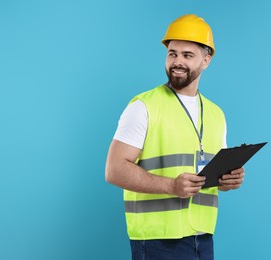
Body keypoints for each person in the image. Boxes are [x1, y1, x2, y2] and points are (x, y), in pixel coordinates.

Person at [105, 14, 245, 260]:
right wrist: (171, 186)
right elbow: (114, 170)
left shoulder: (216, 114)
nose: (177, 61)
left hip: (202, 237)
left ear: (206, 60)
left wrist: (227, 181)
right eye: (172, 53)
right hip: (156, 240)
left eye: (187, 55)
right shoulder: (144, 106)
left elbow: (209, 175)